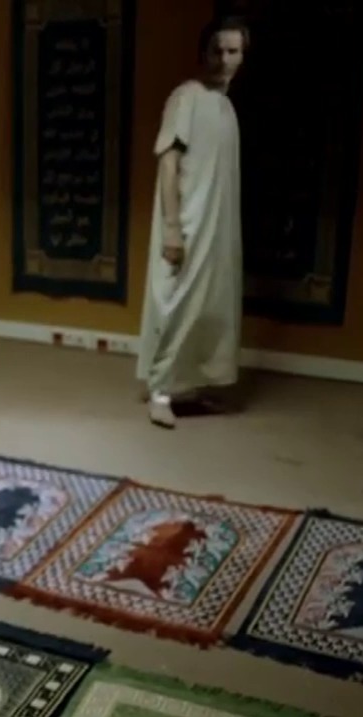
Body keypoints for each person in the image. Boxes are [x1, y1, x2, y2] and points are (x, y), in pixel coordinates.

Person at [136, 15, 249, 429]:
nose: (224, 59)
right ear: (203, 52)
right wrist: (171, 226)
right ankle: (160, 391)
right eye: (217, 50)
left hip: (218, 226)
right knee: (177, 303)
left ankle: (199, 384)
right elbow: (169, 162)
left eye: (233, 51)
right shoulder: (186, 97)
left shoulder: (226, 107)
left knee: (213, 306)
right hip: (188, 220)